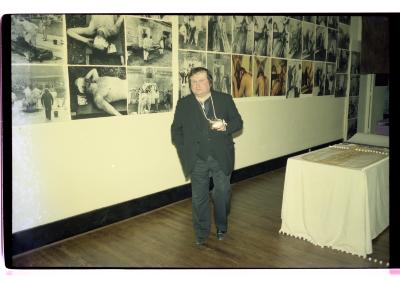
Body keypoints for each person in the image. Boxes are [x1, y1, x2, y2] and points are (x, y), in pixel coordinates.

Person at [171, 67, 243, 246]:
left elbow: (238, 122)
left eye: (201, 80)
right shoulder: (184, 104)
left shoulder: (224, 99)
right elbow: (176, 131)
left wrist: (225, 125)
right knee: (199, 197)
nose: (197, 85)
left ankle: (221, 225)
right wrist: (184, 151)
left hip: (221, 154)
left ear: (210, 82)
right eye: (194, 82)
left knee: (222, 193)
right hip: (197, 158)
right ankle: (201, 232)